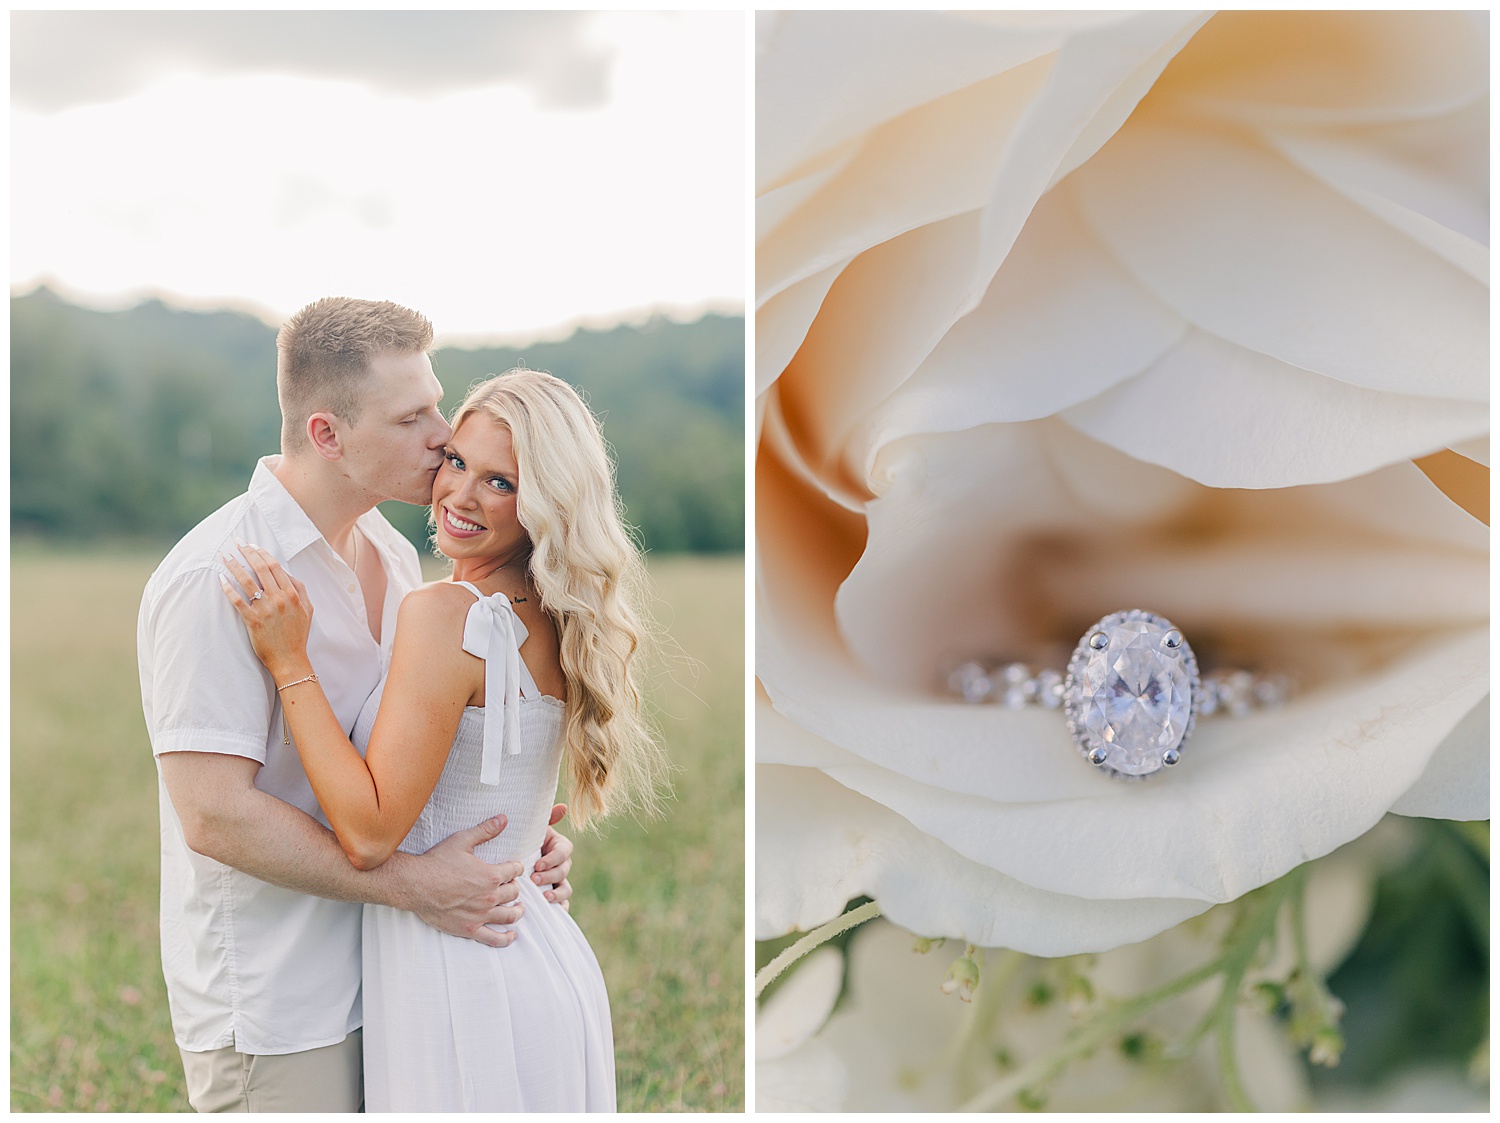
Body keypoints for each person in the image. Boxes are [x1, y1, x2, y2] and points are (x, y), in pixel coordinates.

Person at [136, 298, 577, 1113]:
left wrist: (512, 839)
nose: (444, 435)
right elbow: (215, 817)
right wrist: (414, 884)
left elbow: (415, 754)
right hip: (283, 1001)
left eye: (436, 405)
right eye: (412, 418)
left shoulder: (392, 554)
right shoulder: (218, 580)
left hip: (403, 975)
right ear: (328, 434)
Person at [220, 368, 665, 1111]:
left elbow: (367, 834)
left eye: (500, 482)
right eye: (457, 461)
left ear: (544, 503)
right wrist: (532, 847)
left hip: (461, 973)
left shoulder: (446, 612)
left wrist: (289, 660)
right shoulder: (560, 616)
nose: (459, 495)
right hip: (543, 957)